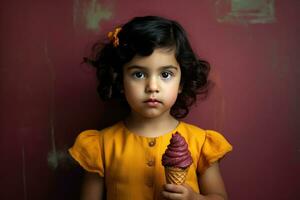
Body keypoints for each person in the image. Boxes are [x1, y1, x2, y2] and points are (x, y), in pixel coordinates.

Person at [69, 15, 233, 200]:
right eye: (138, 74)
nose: (152, 86)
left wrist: (194, 198)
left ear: (181, 82)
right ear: (120, 81)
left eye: (165, 74)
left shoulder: (201, 143)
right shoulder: (100, 146)